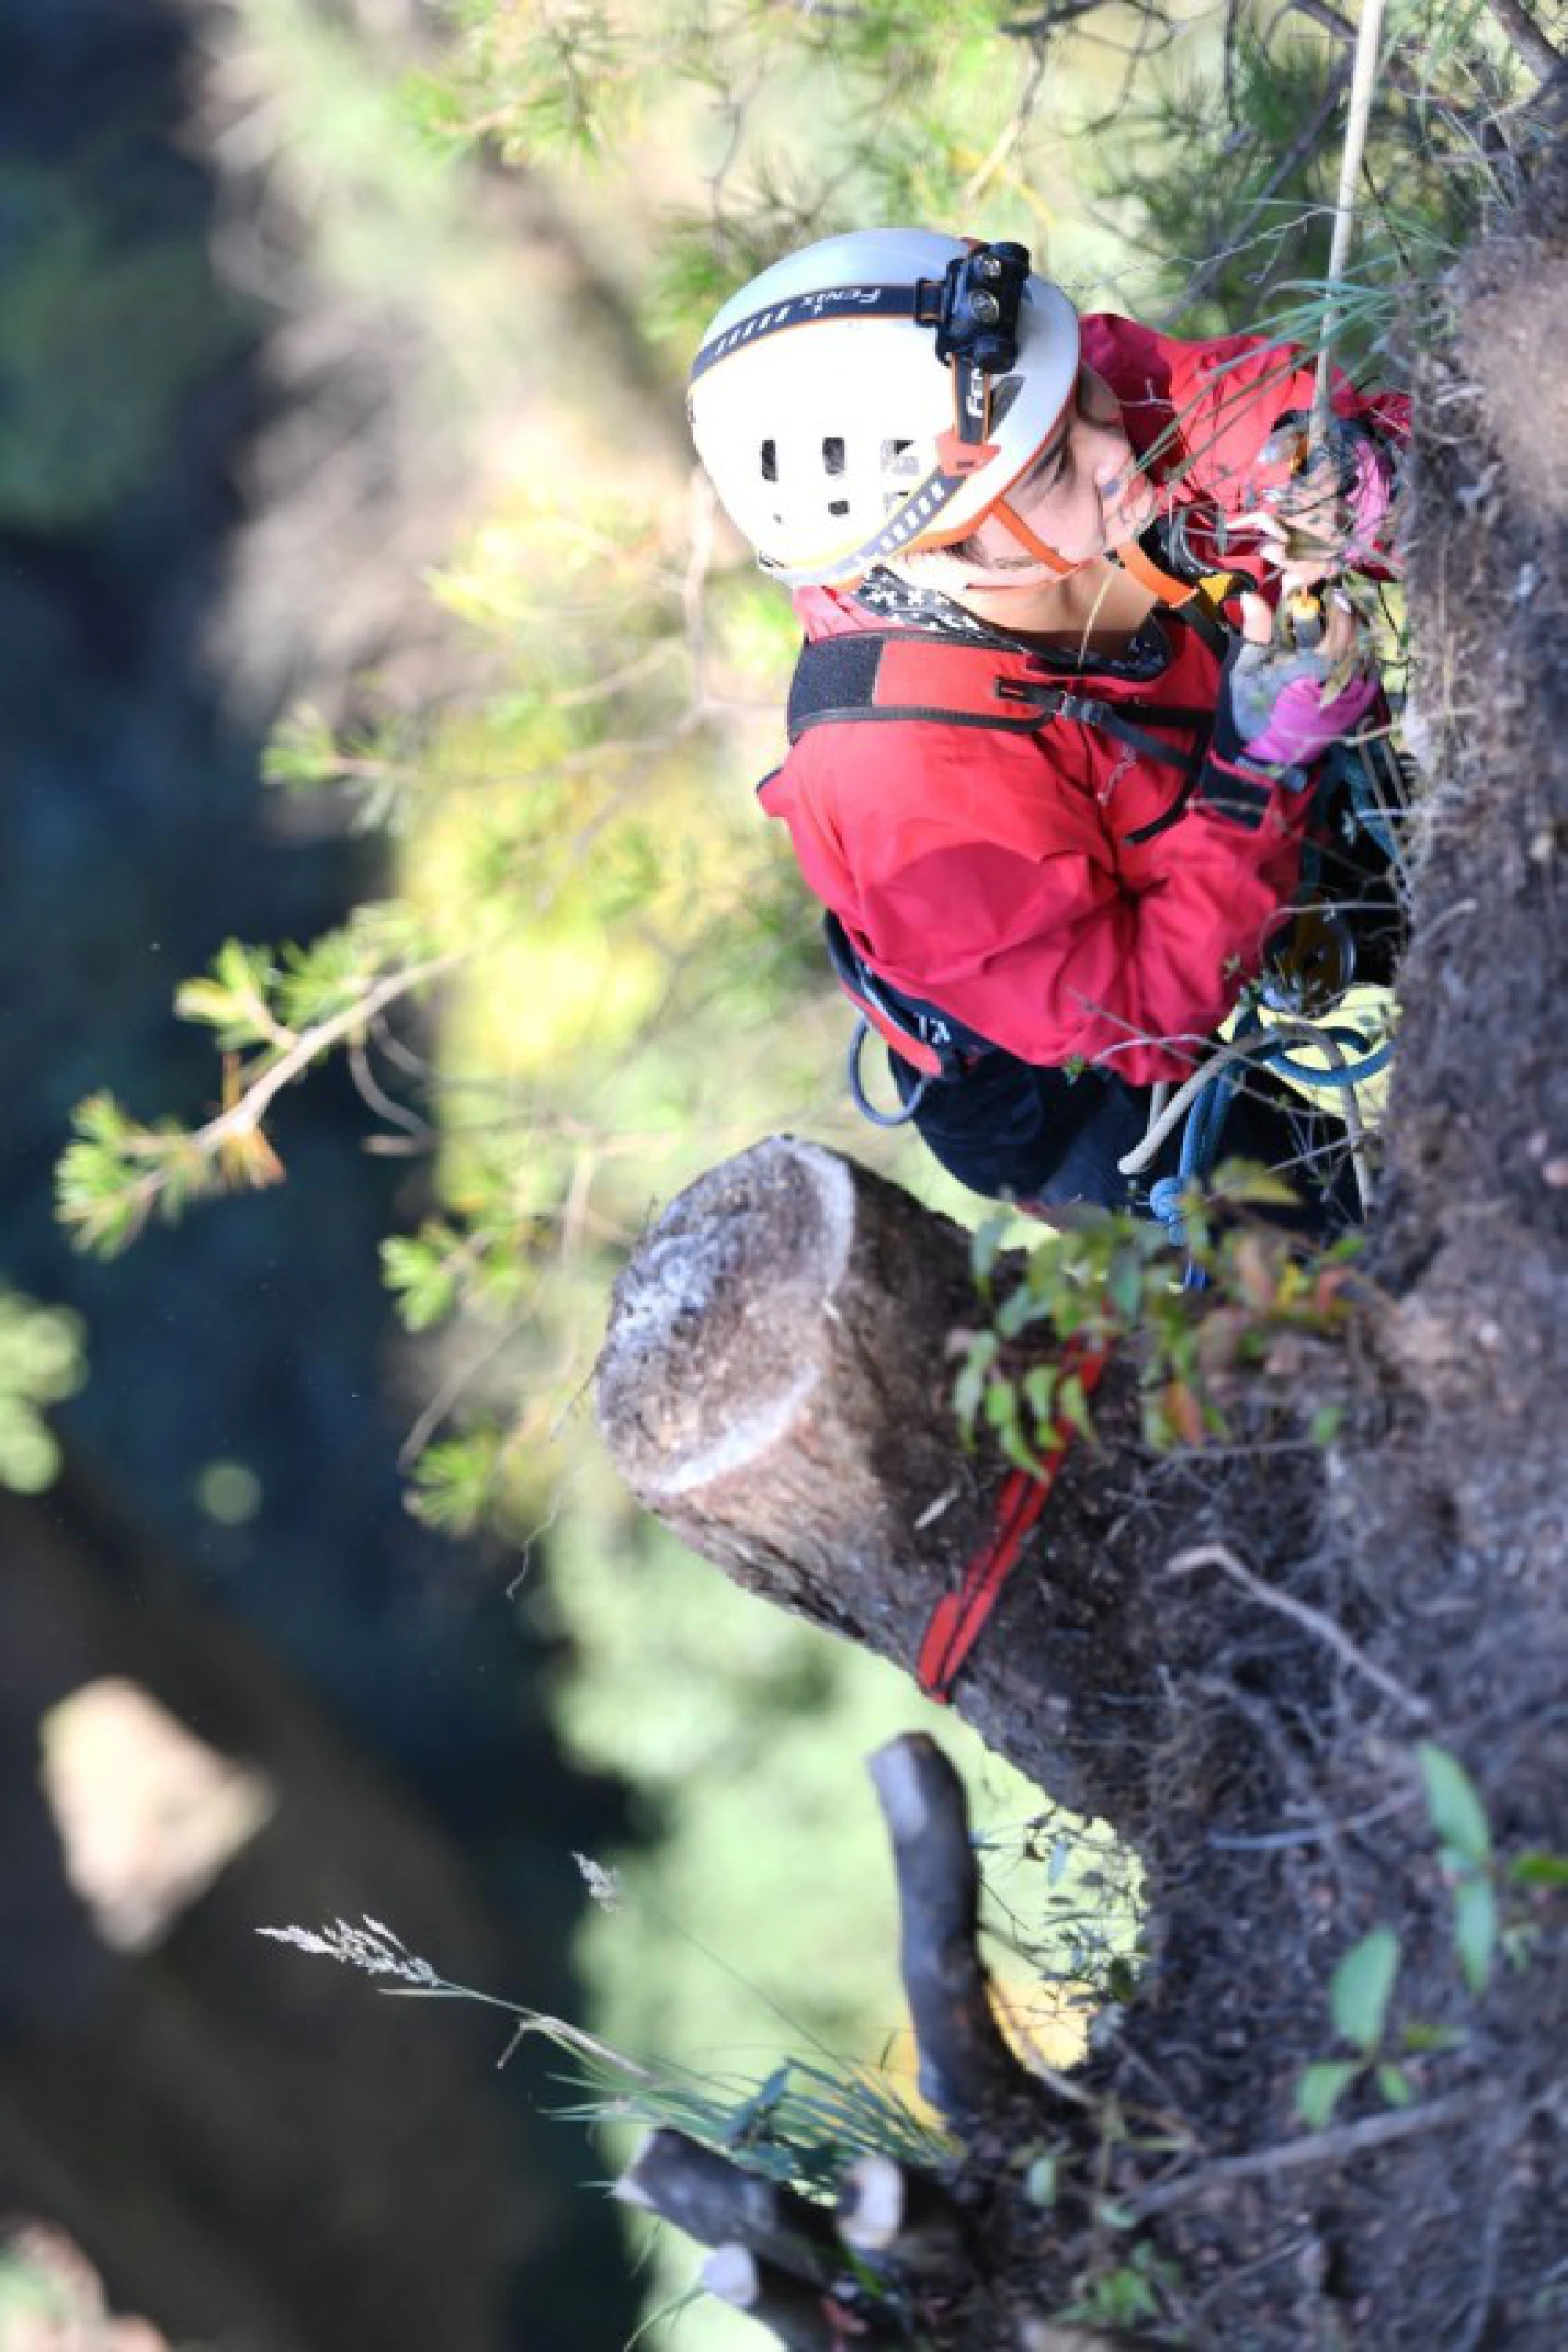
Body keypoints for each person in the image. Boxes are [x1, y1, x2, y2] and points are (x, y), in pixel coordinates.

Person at [686, 229, 1409, 1227]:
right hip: (1067, 1081)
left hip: (1204, 793)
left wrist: (1361, 479)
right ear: (928, 557)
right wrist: (1256, 770)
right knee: (1343, 1256)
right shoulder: (903, 785)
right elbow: (1135, 1017)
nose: (1111, 451)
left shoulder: (1023, 401)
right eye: (1048, 471)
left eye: (1082, 398)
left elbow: (1222, 411)